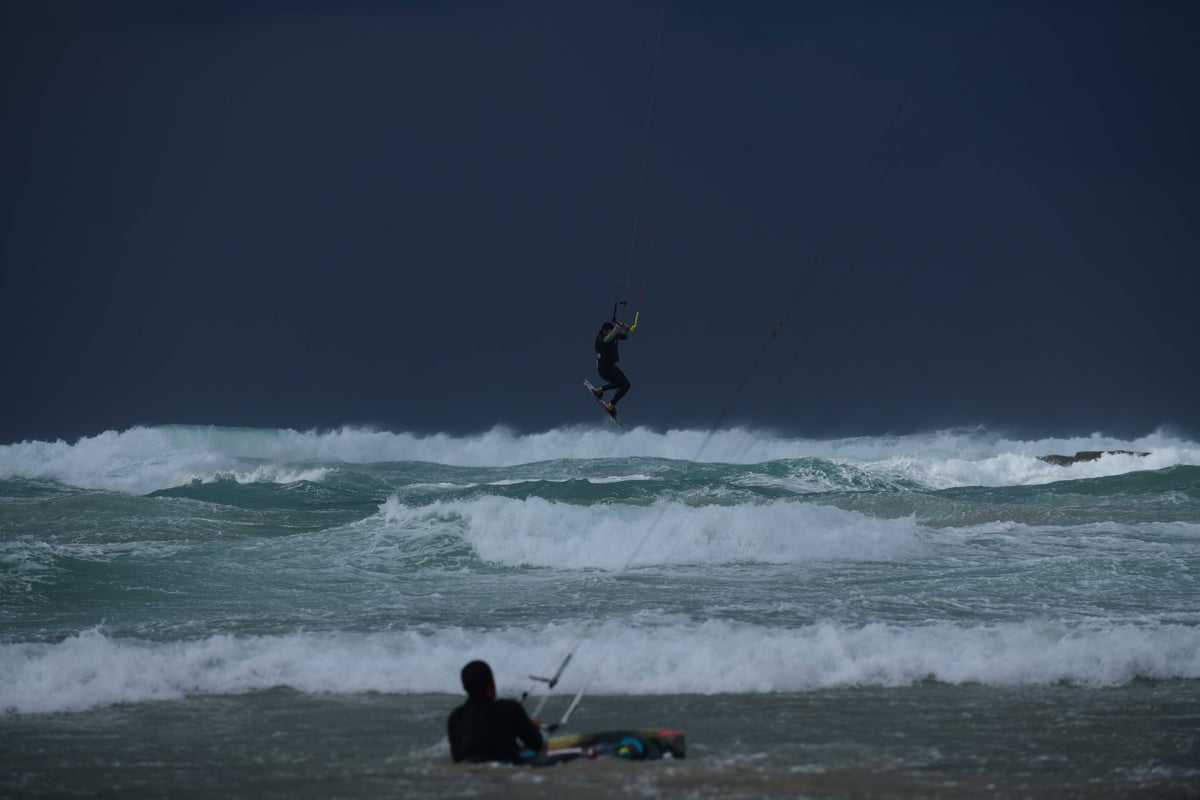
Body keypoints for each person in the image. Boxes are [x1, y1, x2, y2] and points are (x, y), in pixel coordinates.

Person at [447, 660, 544, 764]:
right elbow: (536, 744)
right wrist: (533, 725)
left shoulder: (455, 717)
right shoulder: (510, 708)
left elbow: (457, 758)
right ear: (491, 683)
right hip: (508, 771)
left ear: (464, 688)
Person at [593, 320, 633, 415]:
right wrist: (617, 327)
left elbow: (625, 337)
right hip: (605, 370)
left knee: (624, 384)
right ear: (604, 331)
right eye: (610, 331)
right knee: (625, 385)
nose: (612, 333)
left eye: (612, 331)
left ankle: (599, 391)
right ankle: (610, 405)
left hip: (611, 367)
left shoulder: (613, 335)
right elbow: (608, 339)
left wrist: (627, 330)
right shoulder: (600, 339)